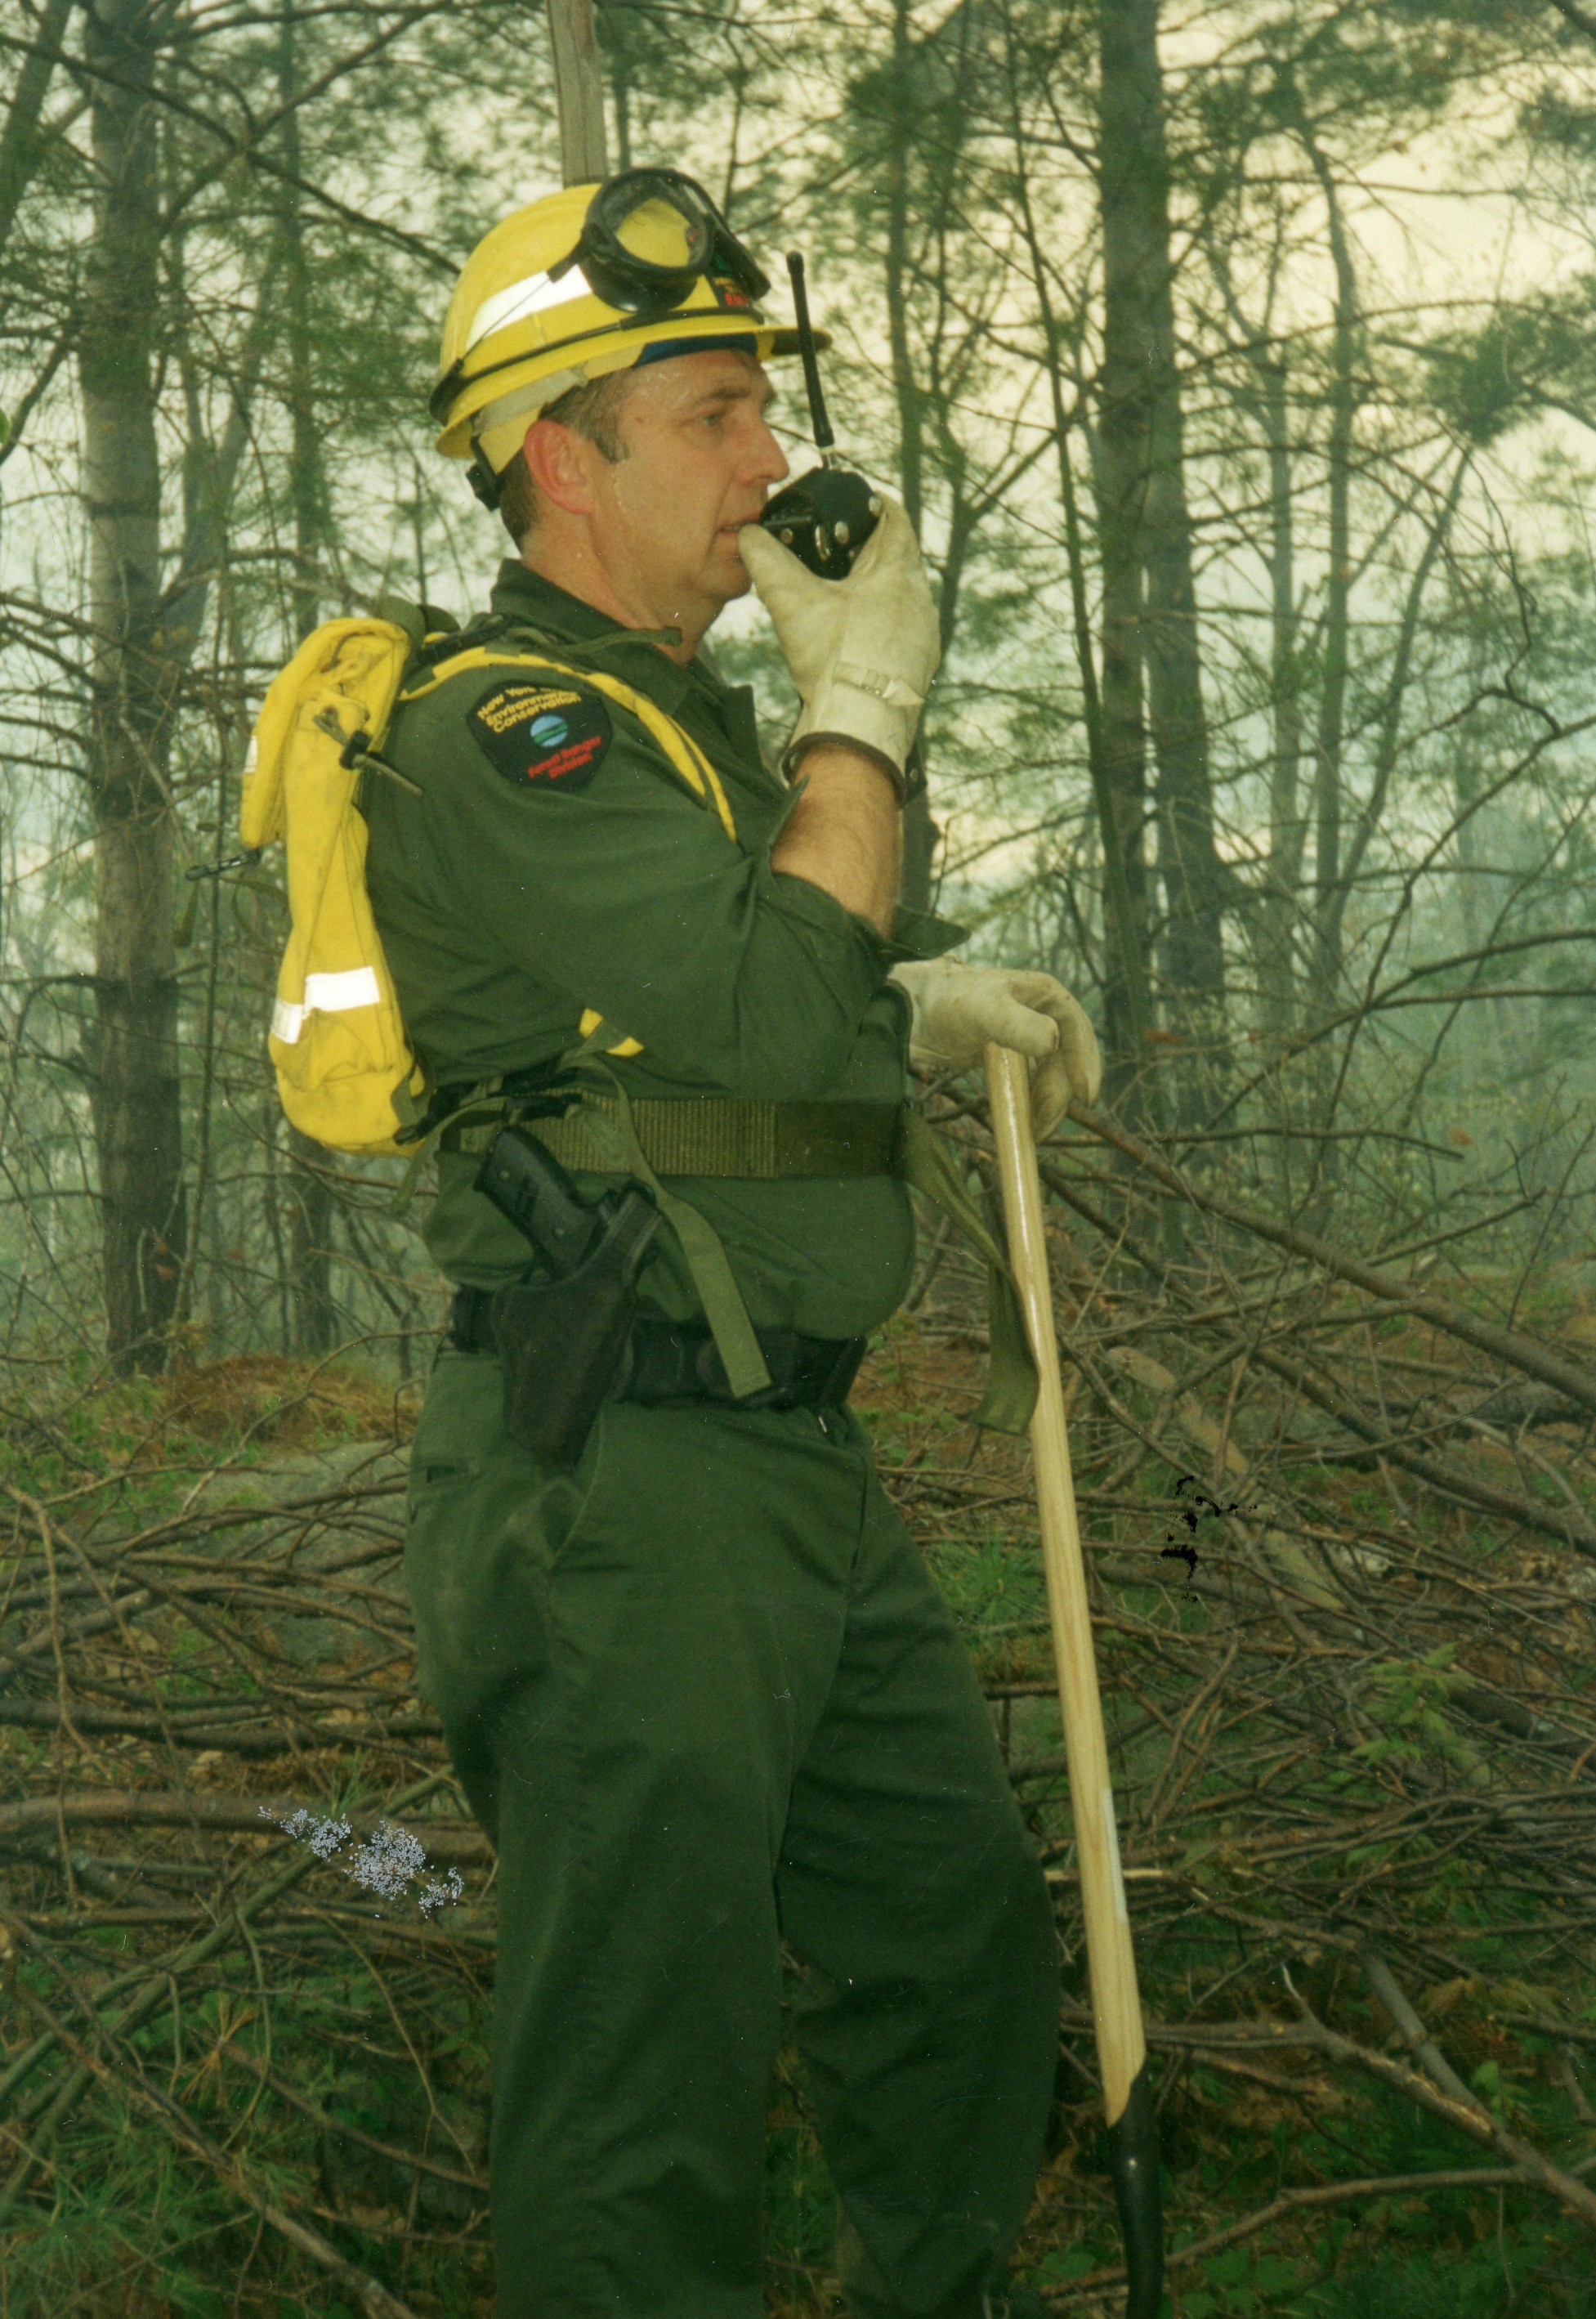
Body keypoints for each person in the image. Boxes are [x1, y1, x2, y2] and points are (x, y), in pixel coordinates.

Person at [362, 168, 1102, 2319]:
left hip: (784, 1471)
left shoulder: (675, 732)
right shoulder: (505, 732)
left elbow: (722, 1042)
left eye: (758, 413)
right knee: (641, 2086)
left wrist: (902, 1003)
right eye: (709, 416)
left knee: (947, 1946)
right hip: (616, 1482)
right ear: (559, 461)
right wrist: (858, 705)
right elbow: (749, 996)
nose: (771, 463)